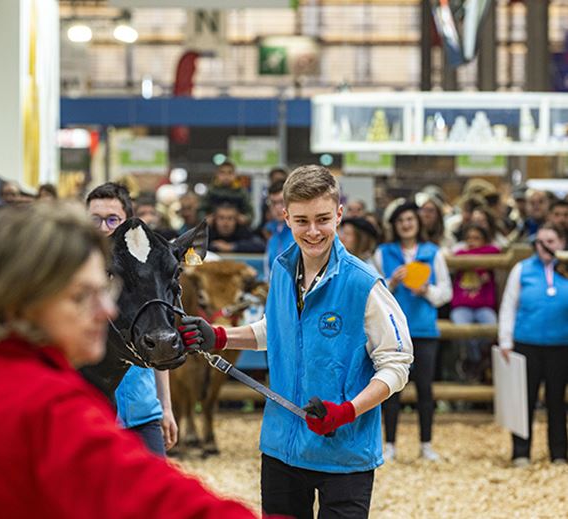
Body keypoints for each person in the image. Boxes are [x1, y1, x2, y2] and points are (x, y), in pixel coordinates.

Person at [0, 201, 261, 518]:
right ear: (26, 301)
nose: (105, 310)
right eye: (82, 295)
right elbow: (161, 504)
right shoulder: (49, 411)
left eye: (105, 292)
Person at [181, 165, 413, 518]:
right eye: (302, 221)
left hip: (344, 453)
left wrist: (347, 411)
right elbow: (273, 331)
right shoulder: (283, 270)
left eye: (323, 219)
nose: (314, 231)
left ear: (339, 214)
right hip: (281, 450)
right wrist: (219, 336)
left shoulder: (364, 284)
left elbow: (396, 363)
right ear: (285, 217)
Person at [86, 182, 178, 455]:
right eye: (95, 219)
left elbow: (162, 337)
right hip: (93, 409)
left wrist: (166, 406)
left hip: (141, 409)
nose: (104, 227)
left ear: (127, 222)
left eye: (112, 219)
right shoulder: (76, 277)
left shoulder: (146, 273)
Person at [374, 201, 452, 462]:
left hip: (425, 330)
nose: (406, 224)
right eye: (401, 221)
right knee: (390, 388)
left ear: (418, 223)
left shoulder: (434, 252)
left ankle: (426, 445)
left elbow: (445, 293)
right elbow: (374, 293)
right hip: (392, 331)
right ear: (394, 226)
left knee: (425, 389)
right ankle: (390, 445)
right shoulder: (382, 252)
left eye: (410, 219)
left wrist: (427, 291)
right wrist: (392, 283)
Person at [498, 223, 568, 467]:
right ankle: (521, 451)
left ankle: (559, 452)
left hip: (561, 345)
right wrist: (506, 340)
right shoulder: (522, 269)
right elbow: (509, 305)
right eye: (539, 242)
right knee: (523, 399)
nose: (544, 247)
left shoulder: (566, 269)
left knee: (557, 401)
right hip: (526, 343)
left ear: (561, 243)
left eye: (550, 241)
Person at [450, 224, 500, 382]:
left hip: (484, 306)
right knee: (461, 329)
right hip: (462, 306)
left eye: (477, 238)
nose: (472, 241)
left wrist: (477, 258)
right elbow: (456, 254)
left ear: (485, 241)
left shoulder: (491, 256)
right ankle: (475, 359)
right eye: (469, 238)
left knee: (491, 325)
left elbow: (496, 250)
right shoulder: (460, 255)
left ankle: (480, 356)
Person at [262, 180, 294, 274]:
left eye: (282, 202)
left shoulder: (301, 232)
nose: (278, 208)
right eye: (273, 203)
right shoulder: (271, 234)